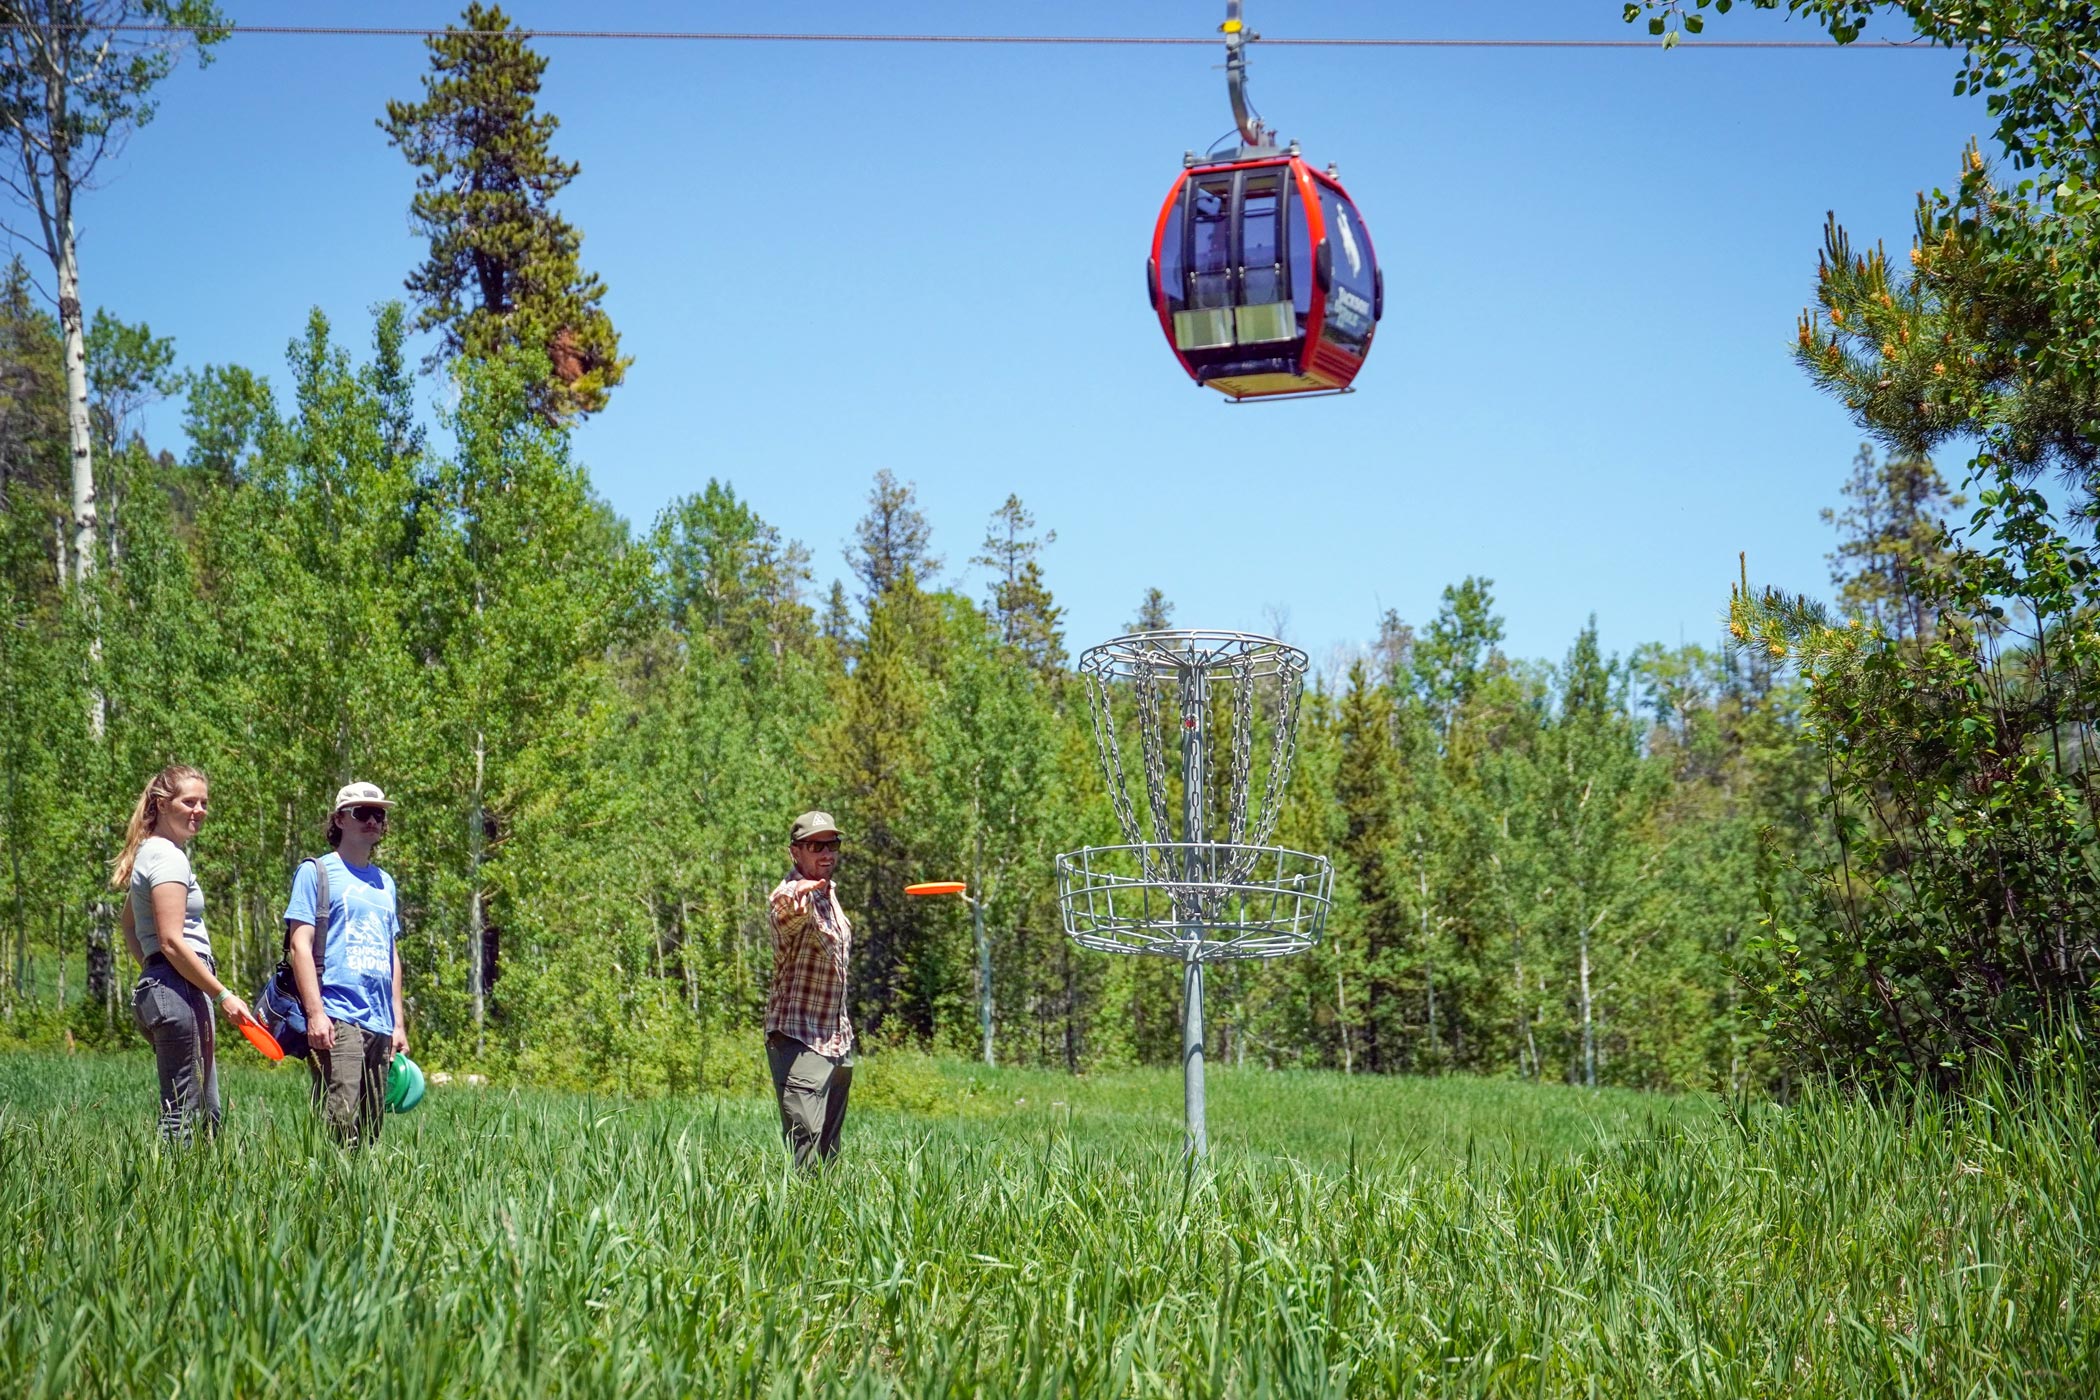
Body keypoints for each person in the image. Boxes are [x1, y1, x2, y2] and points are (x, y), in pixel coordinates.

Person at [112, 763, 253, 1141]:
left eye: (204, 802)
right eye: (189, 801)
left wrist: (154, 970)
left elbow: (129, 924)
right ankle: (171, 1197)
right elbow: (172, 940)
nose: (200, 810)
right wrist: (221, 994)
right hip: (180, 991)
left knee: (199, 1111)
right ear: (161, 804)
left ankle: (185, 1194)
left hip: (164, 988)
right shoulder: (169, 857)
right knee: (187, 1118)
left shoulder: (150, 853)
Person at [284, 781, 408, 1146]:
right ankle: (329, 1193)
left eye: (379, 814)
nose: (373, 821)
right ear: (340, 819)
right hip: (338, 1014)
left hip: (380, 1022)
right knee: (339, 1118)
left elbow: (391, 953)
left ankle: (362, 1198)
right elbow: (299, 946)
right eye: (362, 813)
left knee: (371, 1127)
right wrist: (316, 1014)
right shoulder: (317, 873)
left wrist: (397, 1023)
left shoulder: (386, 883)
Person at [765, 810, 854, 1168]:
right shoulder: (791, 894)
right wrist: (797, 894)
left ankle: (830, 1219)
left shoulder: (829, 893)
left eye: (832, 843)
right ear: (795, 852)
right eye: (815, 845)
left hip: (838, 1040)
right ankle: (800, 1220)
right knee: (806, 1149)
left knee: (830, 1153)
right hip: (799, 1040)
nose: (826, 852)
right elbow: (784, 911)